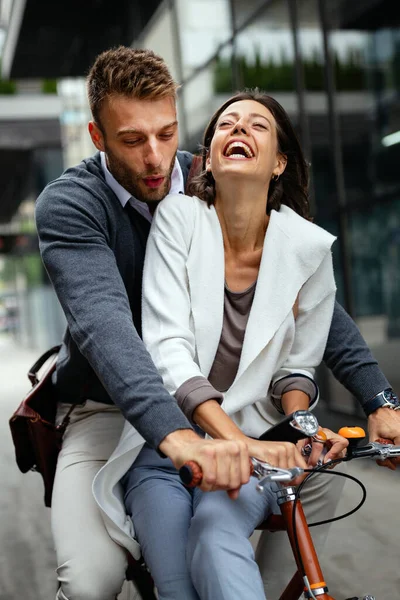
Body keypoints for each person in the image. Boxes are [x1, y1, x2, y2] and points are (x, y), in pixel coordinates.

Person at [35, 45, 400, 600]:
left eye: (167, 133)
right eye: (133, 140)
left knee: (318, 490)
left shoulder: (208, 174)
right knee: (89, 582)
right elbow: (107, 332)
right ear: (97, 135)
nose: (158, 159)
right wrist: (186, 440)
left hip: (223, 411)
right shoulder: (72, 205)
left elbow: (299, 294)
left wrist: (380, 400)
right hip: (109, 410)